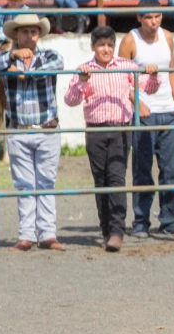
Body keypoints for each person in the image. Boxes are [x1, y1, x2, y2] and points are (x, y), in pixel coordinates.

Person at [65, 27, 161, 252]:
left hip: (120, 130)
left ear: (114, 46)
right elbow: (70, 100)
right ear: (93, 47)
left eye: (109, 44)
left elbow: (147, 87)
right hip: (96, 131)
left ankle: (118, 231)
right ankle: (106, 230)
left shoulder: (127, 67)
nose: (105, 49)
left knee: (117, 179)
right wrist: (81, 81)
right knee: (101, 182)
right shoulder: (85, 69)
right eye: (101, 45)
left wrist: (153, 74)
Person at [0, 14, 65, 251]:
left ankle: (47, 233)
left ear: (39, 34)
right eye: (24, 32)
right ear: (16, 35)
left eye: (33, 31)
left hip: (46, 128)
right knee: (24, 184)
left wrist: (25, 73)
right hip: (19, 129)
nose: (29, 36)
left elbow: (59, 64)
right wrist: (12, 56)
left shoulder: (49, 56)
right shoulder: (5, 59)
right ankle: (26, 235)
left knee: (45, 183)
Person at [118, 0, 174, 237]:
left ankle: (170, 220)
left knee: (172, 169)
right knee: (143, 169)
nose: (154, 21)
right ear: (139, 18)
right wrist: (137, 103)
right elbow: (121, 77)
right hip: (145, 114)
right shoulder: (130, 40)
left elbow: (172, 71)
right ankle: (140, 222)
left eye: (157, 16)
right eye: (148, 17)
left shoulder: (167, 37)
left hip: (168, 110)